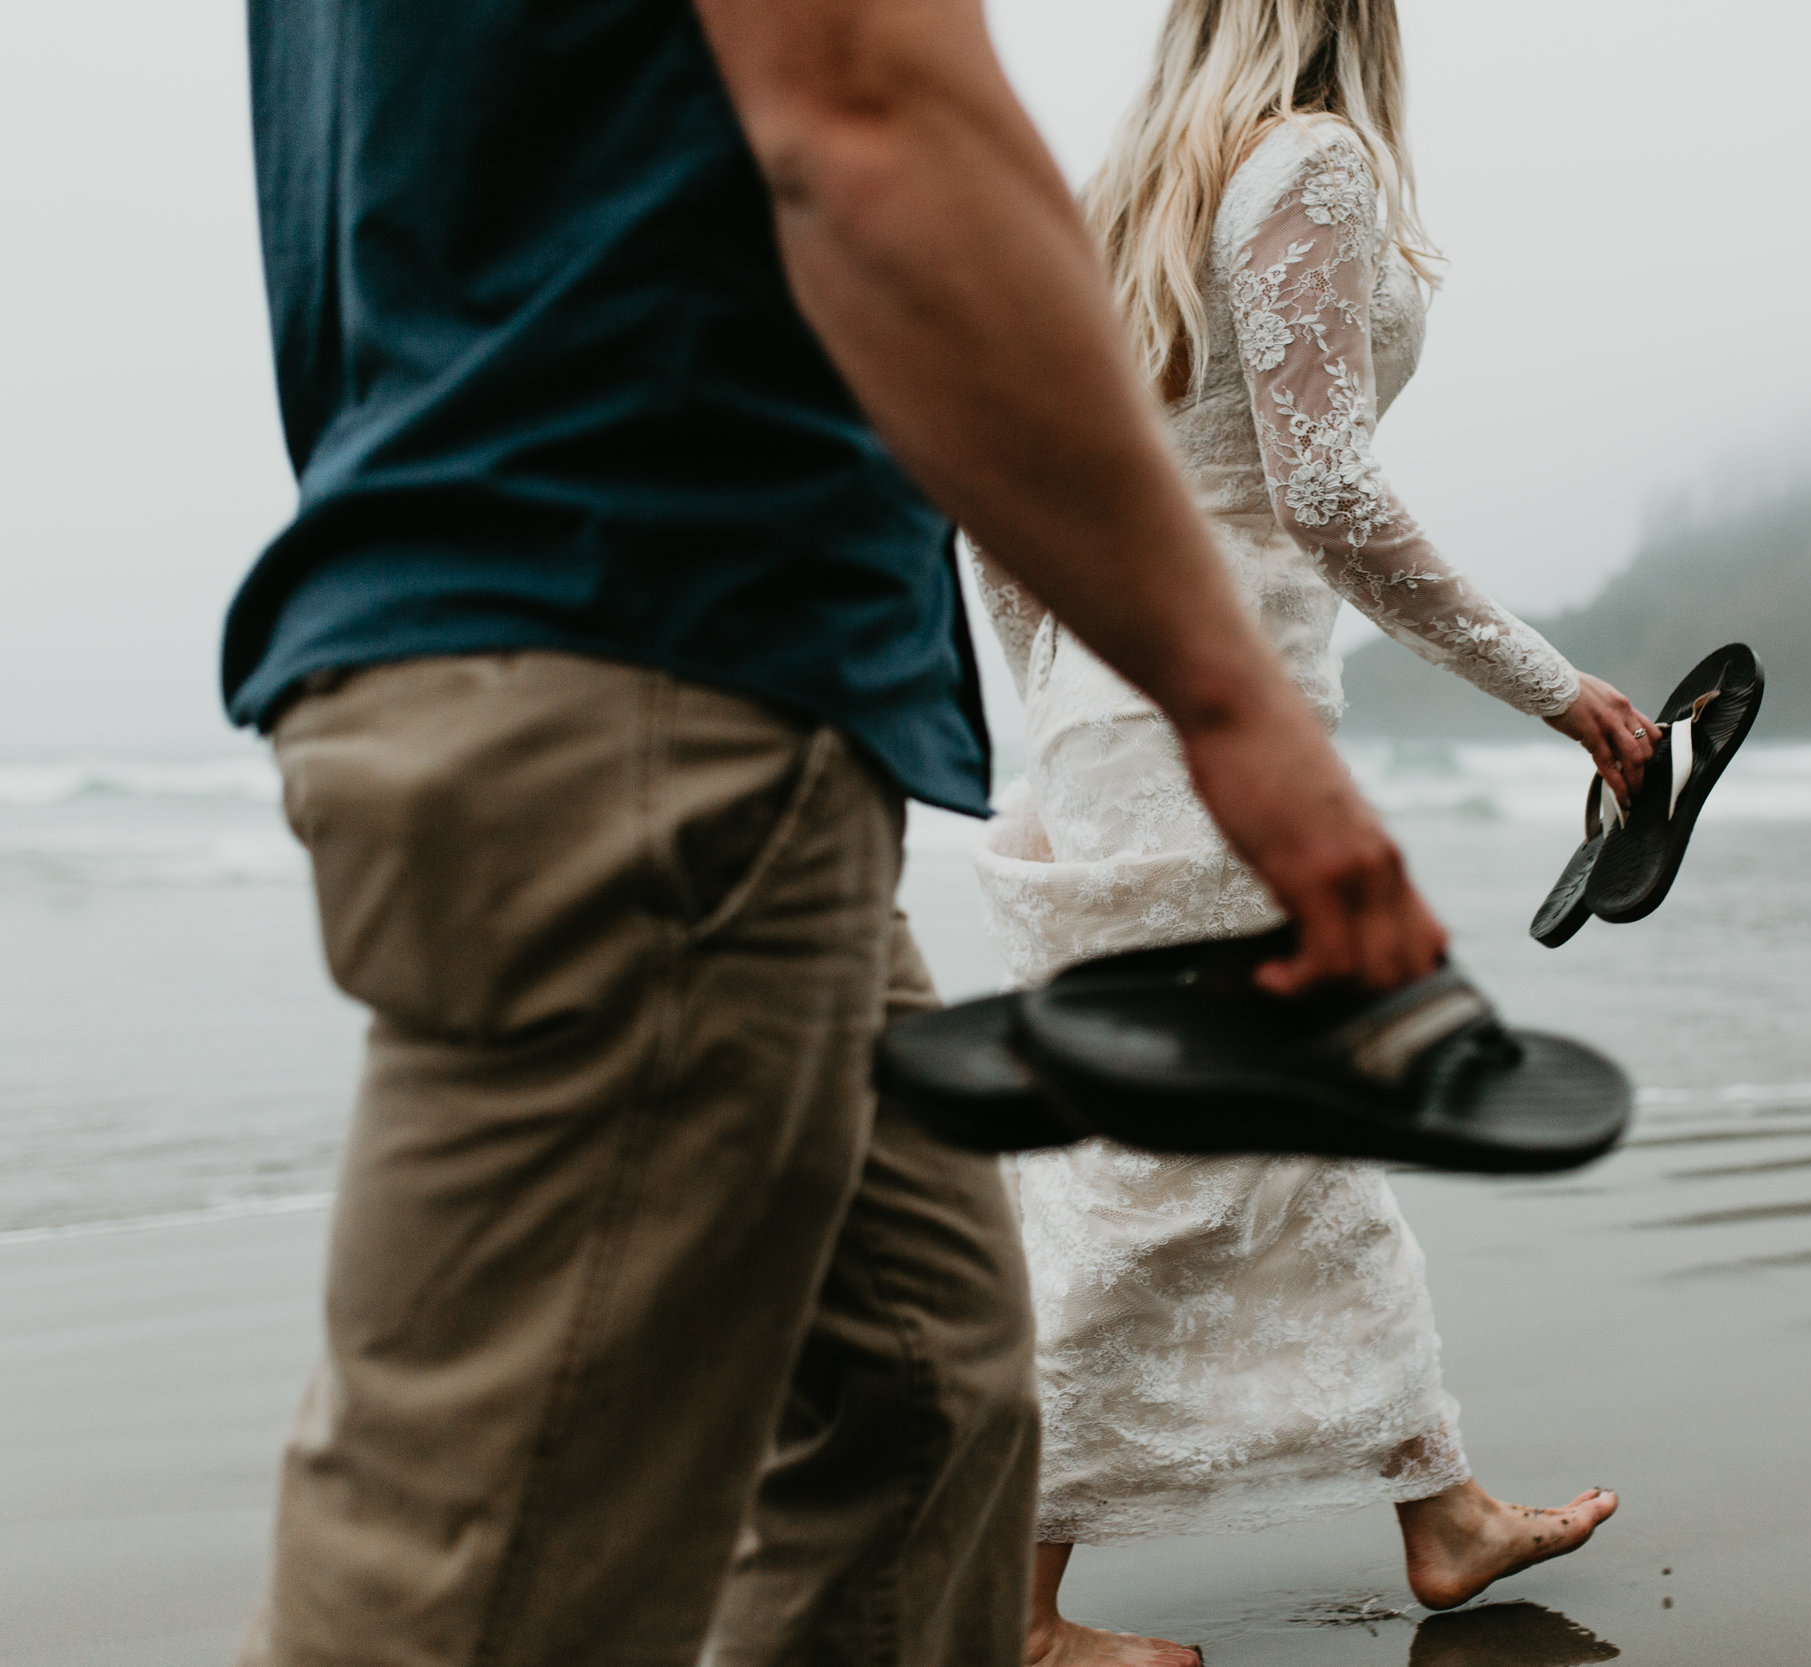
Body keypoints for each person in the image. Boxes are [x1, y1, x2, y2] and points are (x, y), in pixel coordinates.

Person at [227, 0, 1448, 1660]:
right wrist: (1227, 699)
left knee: (924, 1404)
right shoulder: (1296, 166)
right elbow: (873, 115)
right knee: (474, 1590)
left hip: (563, 654)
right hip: (656, 672)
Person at [964, 1, 1652, 1660]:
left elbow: (1001, 498)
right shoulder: (1312, 165)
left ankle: (1444, 1508)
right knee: (1158, 1169)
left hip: (1120, 714)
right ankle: (1007, 1607)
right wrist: (1558, 690)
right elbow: (1325, 489)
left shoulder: (1127, 195)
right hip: (1221, 722)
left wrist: (1059, 721)